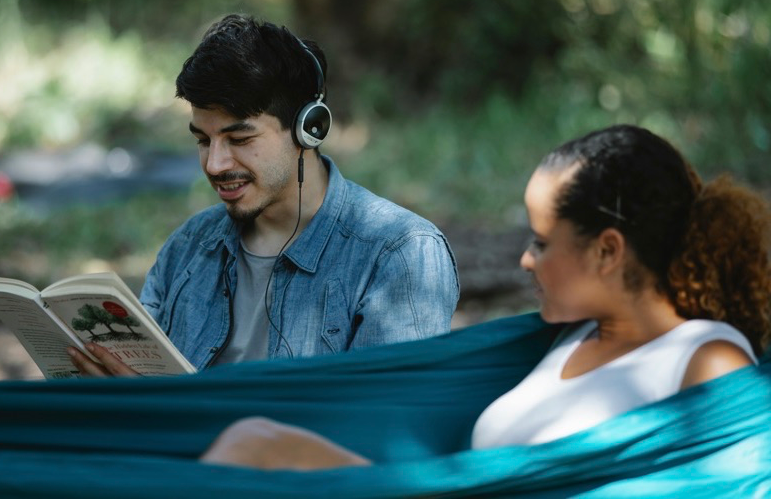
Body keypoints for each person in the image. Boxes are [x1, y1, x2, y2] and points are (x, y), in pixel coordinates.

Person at [197, 123, 771, 469]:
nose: (526, 259)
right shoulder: (566, 341)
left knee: (254, 451)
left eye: (543, 243)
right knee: (250, 439)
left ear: (607, 250)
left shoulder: (707, 360)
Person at [68, 14, 459, 376]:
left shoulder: (400, 254)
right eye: (204, 141)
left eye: (239, 139)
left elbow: (381, 425)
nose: (215, 164)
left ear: (310, 129)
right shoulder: (188, 247)